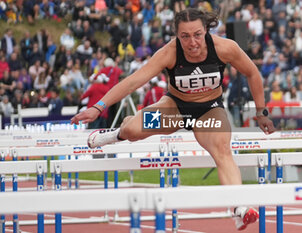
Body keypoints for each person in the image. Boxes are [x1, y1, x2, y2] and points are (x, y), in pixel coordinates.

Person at [71, 8, 275, 231]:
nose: (192, 42)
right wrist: (98, 107)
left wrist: (261, 112)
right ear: (177, 35)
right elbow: (133, 82)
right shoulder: (169, 52)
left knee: (222, 149)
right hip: (176, 109)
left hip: (209, 110)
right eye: (185, 36)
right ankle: (115, 134)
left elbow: (253, 73)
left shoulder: (225, 48)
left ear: (206, 30)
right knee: (132, 131)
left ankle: (240, 208)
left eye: (197, 34)